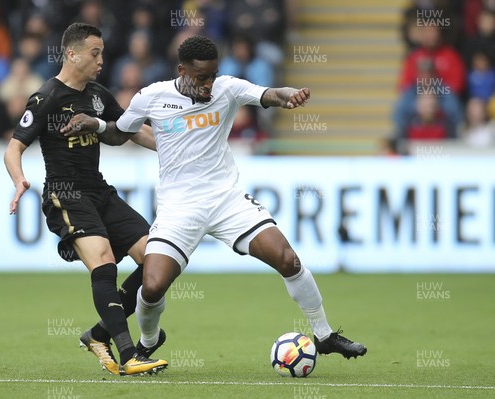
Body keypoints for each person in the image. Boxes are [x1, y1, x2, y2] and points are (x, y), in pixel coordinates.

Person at [114, 35, 368, 361]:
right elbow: (122, 130)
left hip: (226, 199)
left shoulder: (227, 87)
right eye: (201, 78)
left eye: (213, 75)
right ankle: (148, 342)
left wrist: (288, 95)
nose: (208, 85)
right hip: (178, 207)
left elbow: (269, 93)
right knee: (151, 286)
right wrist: (96, 124)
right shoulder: (151, 96)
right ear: (181, 70)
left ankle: (324, 335)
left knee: (286, 257)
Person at [3, 22, 166, 376]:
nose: (102, 60)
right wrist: (19, 181)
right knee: (104, 262)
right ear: (72, 53)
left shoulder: (98, 96)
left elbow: (130, 131)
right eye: (95, 53)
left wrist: (175, 146)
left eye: (103, 53)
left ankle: (98, 334)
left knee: (156, 260)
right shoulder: (46, 97)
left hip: (99, 191)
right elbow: (13, 149)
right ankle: (128, 354)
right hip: (65, 193)